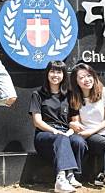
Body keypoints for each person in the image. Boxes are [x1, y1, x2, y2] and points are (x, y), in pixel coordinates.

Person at [30, 61, 88, 193]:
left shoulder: (69, 95)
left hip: (65, 132)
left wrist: (70, 131)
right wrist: (55, 131)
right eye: (52, 71)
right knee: (61, 139)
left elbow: (75, 121)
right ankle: (61, 180)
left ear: (63, 75)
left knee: (78, 141)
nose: (55, 75)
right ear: (47, 73)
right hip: (45, 134)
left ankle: (72, 175)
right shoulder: (38, 94)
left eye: (59, 72)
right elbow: (37, 122)